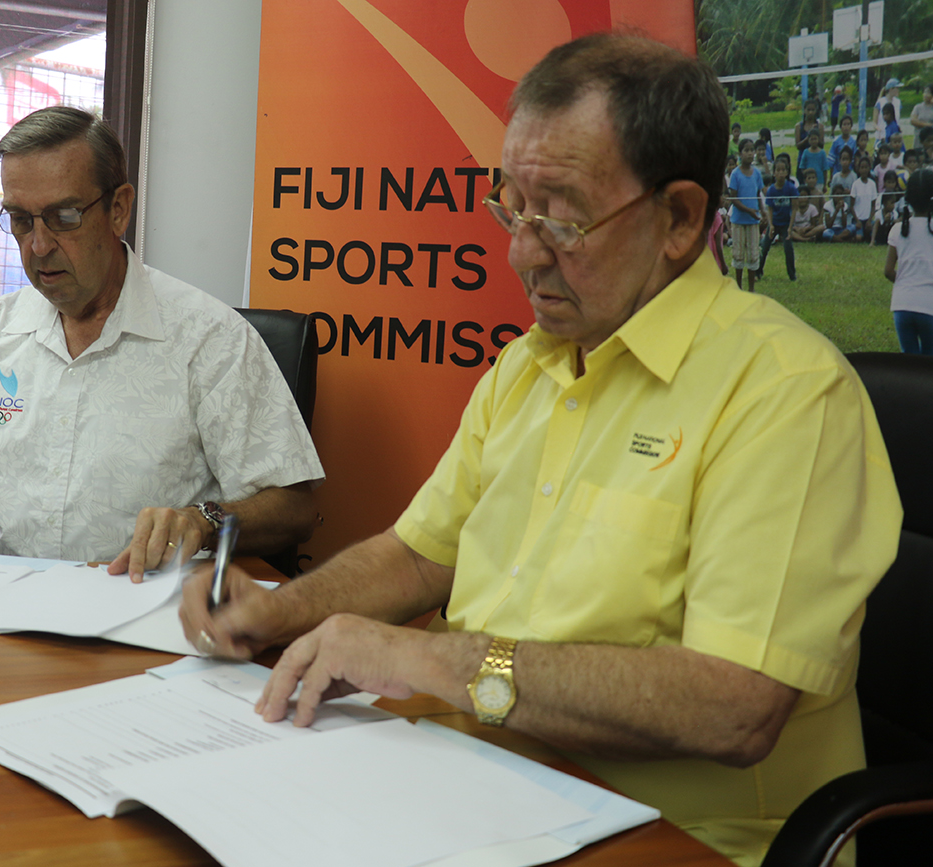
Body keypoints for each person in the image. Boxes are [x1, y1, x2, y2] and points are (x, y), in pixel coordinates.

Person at [181, 33, 900, 867]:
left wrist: (432, 659)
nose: (522, 251)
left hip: (672, 837)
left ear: (679, 219)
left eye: (560, 217)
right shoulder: (529, 365)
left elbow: (733, 707)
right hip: (480, 786)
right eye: (512, 207)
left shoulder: (785, 391)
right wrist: (279, 610)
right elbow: (419, 555)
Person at [0, 106, 325, 578]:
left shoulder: (209, 339)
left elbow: (294, 508)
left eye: (64, 217)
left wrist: (203, 521)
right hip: (0, 611)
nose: (39, 245)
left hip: (139, 610)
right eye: (21, 221)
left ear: (118, 209)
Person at [886, 167, 933, 354]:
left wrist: (906, 282)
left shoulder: (898, 229)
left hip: (902, 305)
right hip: (929, 306)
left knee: (909, 362)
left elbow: (888, 271)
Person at [728, 139, 764, 291]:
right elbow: (733, 198)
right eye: (746, 150)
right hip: (739, 220)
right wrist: (748, 210)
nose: (750, 153)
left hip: (753, 221)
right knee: (738, 254)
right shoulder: (735, 174)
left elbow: (758, 195)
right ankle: (738, 287)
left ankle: (751, 289)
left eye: (752, 150)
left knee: (753, 254)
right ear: (740, 153)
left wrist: (763, 212)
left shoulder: (756, 173)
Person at [759, 157, 799, 280]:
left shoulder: (791, 188)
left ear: (787, 172)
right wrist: (771, 225)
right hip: (775, 223)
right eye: (778, 170)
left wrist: (790, 227)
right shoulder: (771, 190)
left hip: (786, 223)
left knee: (788, 249)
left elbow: (794, 208)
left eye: (783, 170)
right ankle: (758, 271)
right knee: (765, 247)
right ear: (774, 173)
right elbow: (770, 209)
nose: (780, 173)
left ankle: (792, 275)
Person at [853, 155, 879, 244]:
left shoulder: (872, 184)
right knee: (859, 238)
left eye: (866, 167)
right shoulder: (855, 184)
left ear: (869, 168)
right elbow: (852, 206)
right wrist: (857, 220)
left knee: (874, 236)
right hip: (858, 219)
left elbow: (873, 205)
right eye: (862, 167)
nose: (864, 170)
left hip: (868, 219)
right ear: (858, 169)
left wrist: (869, 220)